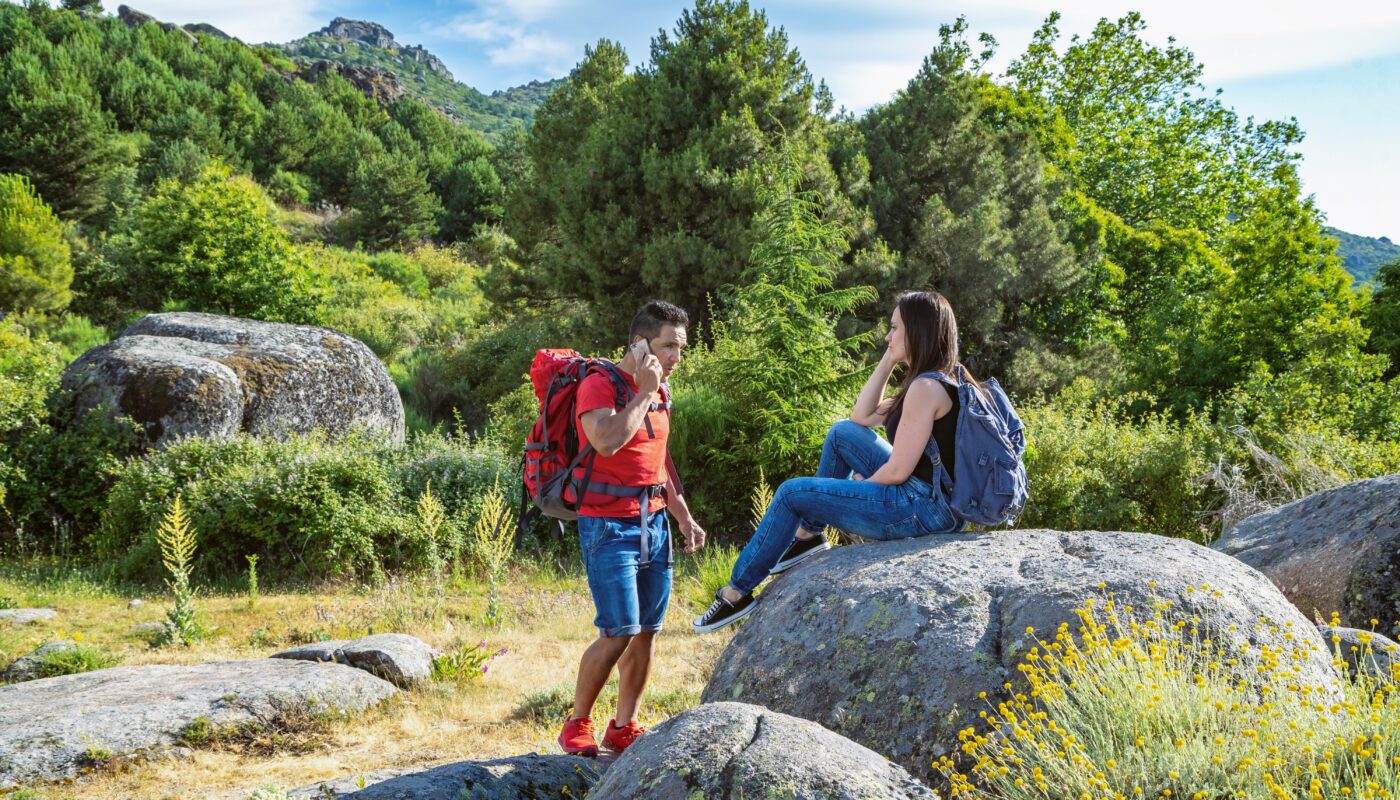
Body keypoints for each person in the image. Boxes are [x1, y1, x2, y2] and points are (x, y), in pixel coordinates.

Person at [693, 290, 968, 633]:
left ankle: (735, 593)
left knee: (792, 493)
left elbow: (897, 471)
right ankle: (807, 535)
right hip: (929, 498)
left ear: (918, 331)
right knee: (842, 433)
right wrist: (889, 358)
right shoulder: (936, 379)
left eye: (895, 329)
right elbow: (861, 415)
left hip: (920, 508)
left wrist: (860, 488)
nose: (888, 335)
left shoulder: (926, 389)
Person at [558, 300, 708, 756]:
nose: (675, 359)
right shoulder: (599, 385)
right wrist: (644, 392)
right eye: (667, 347)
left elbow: (657, 460)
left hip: (655, 521)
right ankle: (576, 723)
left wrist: (683, 516)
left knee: (647, 631)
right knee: (618, 630)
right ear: (639, 343)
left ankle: (623, 726)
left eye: (680, 348)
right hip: (607, 525)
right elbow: (604, 441)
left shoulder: (661, 393)